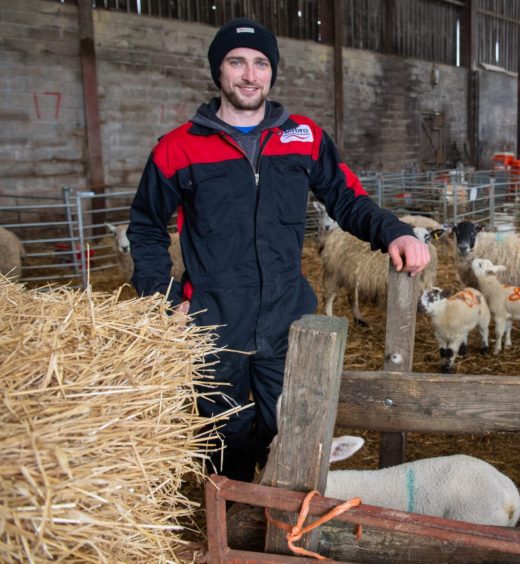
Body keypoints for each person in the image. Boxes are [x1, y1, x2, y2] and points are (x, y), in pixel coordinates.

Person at [128, 18, 430, 481]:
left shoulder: (303, 137)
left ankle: (281, 536)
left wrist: (396, 231)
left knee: (288, 437)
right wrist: (163, 300)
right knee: (220, 445)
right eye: (237, 62)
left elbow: (347, 198)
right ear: (218, 71)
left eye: (261, 63)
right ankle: (229, 534)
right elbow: (146, 228)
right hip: (210, 325)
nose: (250, 75)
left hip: (287, 322)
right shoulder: (178, 148)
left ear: (272, 72)